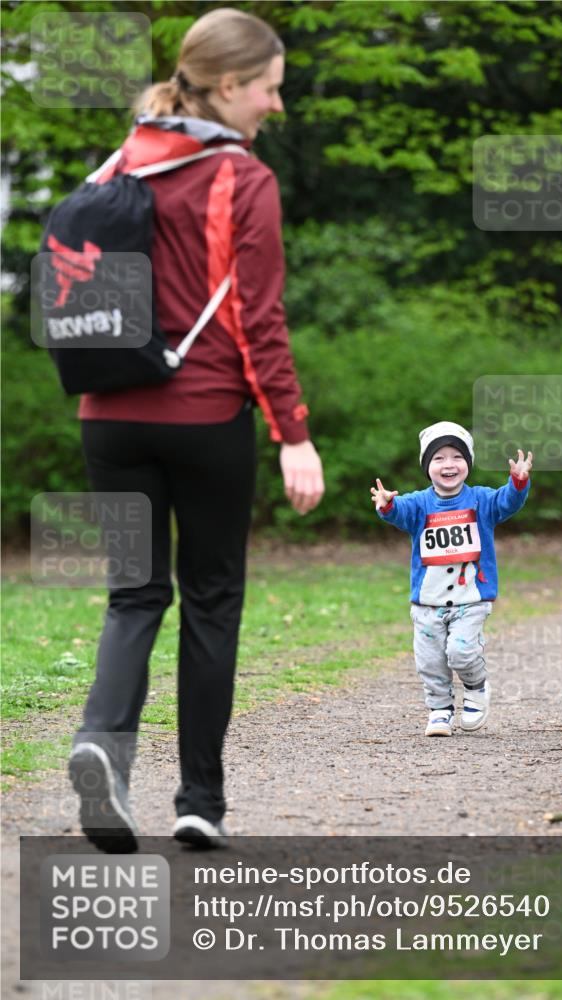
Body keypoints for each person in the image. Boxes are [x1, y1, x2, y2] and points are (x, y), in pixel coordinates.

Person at [67, 7, 324, 852]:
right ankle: (198, 803)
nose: (276, 107)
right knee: (211, 601)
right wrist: (292, 432)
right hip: (204, 416)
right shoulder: (240, 181)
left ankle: (100, 750)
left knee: (133, 596)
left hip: (107, 418)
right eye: (268, 90)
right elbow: (258, 321)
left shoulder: (120, 162)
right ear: (225, 86)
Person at [370, 421, 531, 738]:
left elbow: (507, 502)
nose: (448, 465)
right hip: (427, 602)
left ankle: (475, 687)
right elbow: (398, 512)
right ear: (427, 466)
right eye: (438, 458)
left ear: (467, 464)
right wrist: (387, 504)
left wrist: (517, 483)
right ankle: (440, 709)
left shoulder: (482, 501)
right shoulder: (418, 504)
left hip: (471, 599)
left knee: (461, 651)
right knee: (430, 662)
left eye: (456, 457)